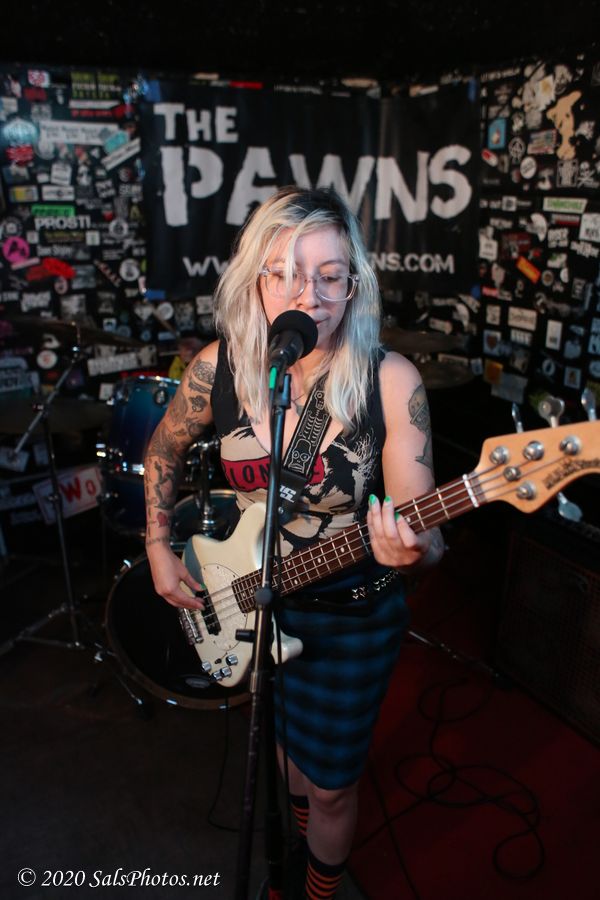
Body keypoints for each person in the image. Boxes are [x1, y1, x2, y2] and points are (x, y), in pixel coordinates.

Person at [143, 186, 444, 899]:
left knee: (333, 787)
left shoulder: (389, 381)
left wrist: (416, 551)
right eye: (283, 272)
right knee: (287, 762)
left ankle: (315, 892)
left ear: (354, 284)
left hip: (351, 609)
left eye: (330, 274)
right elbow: (162, 451)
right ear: (256, 279)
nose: (307, 294)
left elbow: (426, 532)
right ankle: (299, 838)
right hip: (258, 603)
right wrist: (157, 543)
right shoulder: (220, 367)